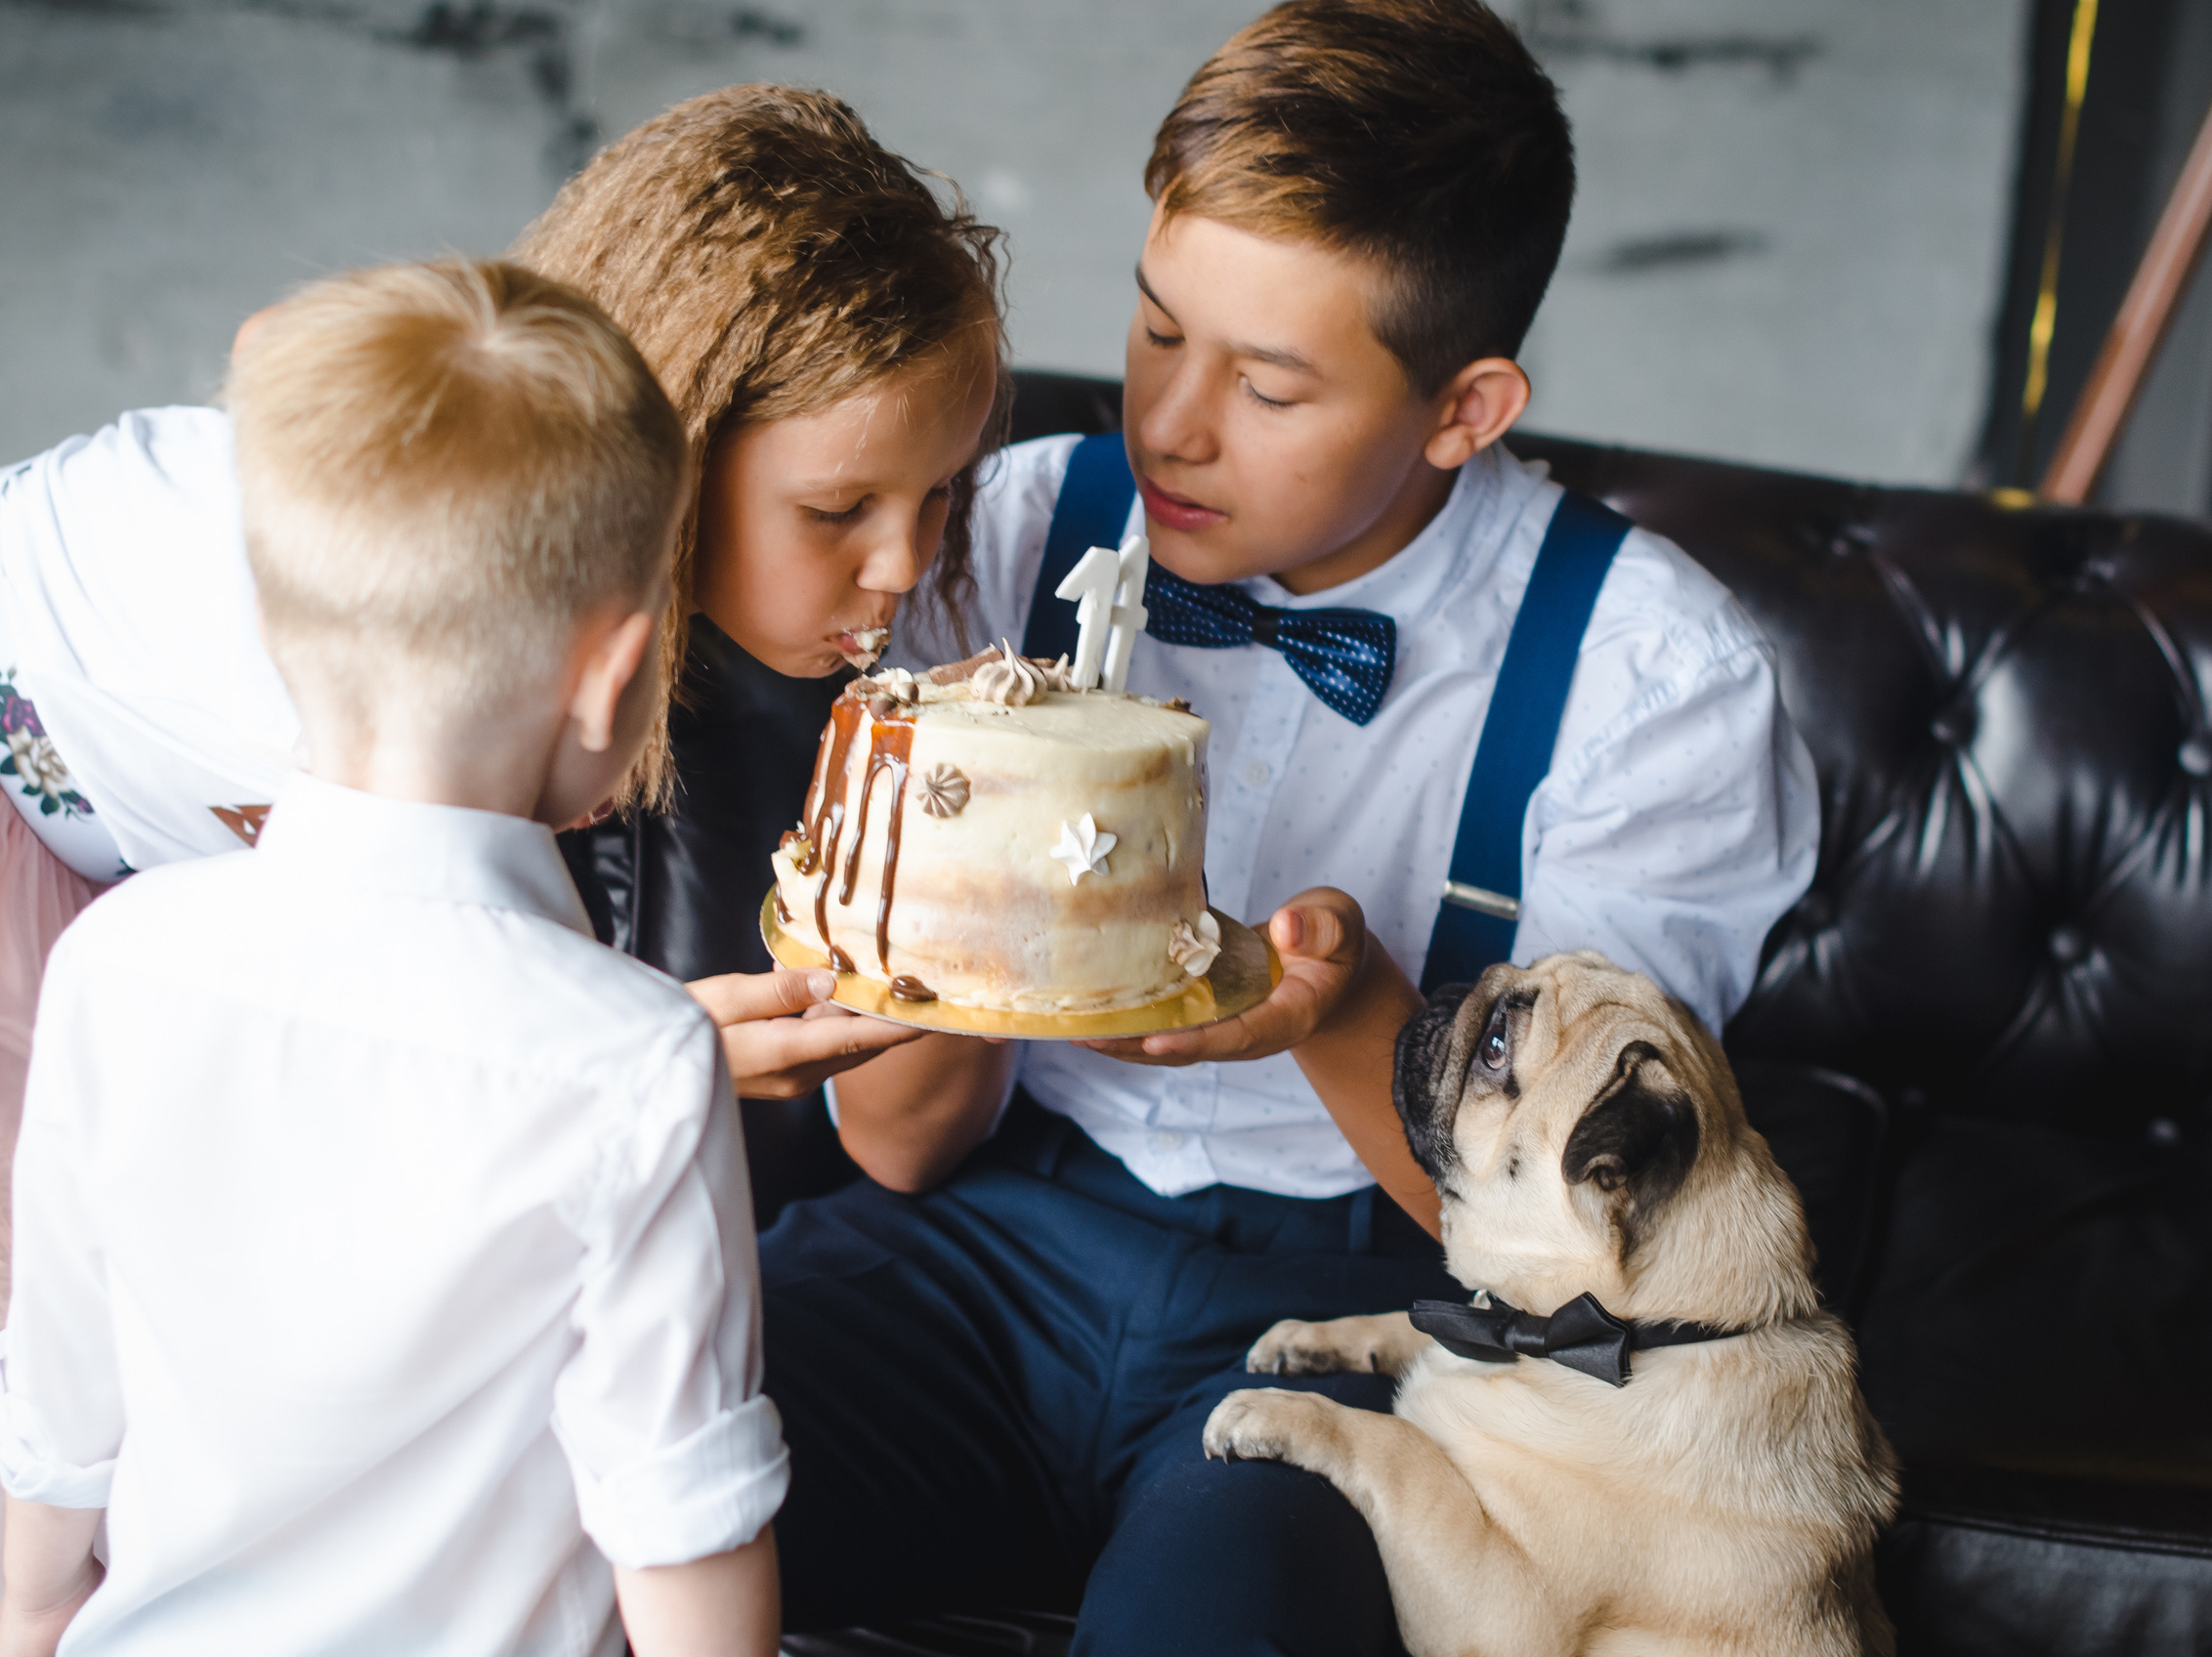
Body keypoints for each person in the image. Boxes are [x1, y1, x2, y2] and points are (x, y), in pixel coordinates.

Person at [760, 2, 1820, 1652]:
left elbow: (1583, 1264)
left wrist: (1344, 1013)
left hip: (1365, 1310)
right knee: (589, 1465)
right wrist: (982, 888)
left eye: (1266, 385)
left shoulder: (1654, 680)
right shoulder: (1010, 530)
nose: (1171, 424)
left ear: (1465, 409)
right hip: (978, 1238)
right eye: (1155, 327)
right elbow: (899, 1147)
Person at [0, 84, 1003, 1291]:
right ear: (682, 441)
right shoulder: (440, 631)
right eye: (837, 509)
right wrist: (649, 1055)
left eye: (940, 491)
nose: (903, 564)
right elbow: (382, 1078)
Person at [0, 260, 789, 1656]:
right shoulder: (635, 1061)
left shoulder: (113, 962)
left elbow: (55, 1430)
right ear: (614, 675)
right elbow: (680, 1525)